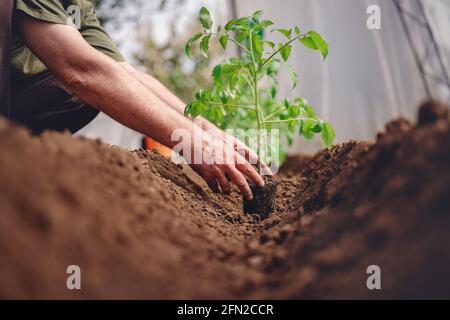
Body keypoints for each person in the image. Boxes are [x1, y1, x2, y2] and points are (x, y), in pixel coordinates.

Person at [0, 0, 271, 200]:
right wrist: (192, 143)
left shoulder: (79, 6)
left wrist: (208, 132)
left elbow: (122, 72)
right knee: (92, 84)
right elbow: (81, 71)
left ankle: (22, 165)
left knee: (105, 82)